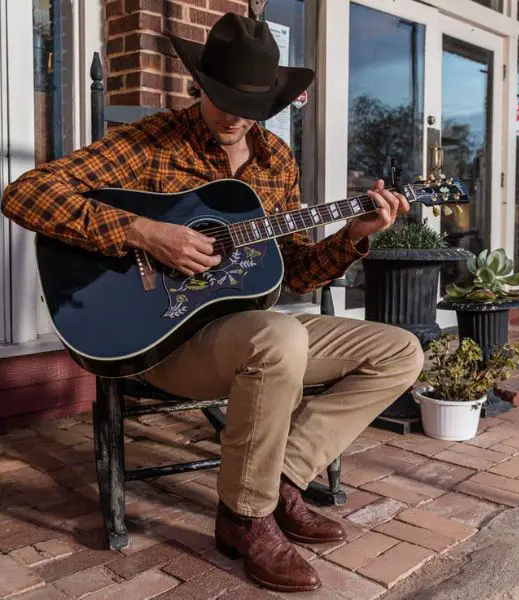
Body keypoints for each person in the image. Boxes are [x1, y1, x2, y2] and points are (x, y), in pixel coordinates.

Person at [1, 13, 424, 593]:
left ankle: (283, 482)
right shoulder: (151, 141)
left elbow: (296, 268)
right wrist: (143, 233)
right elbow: (25, 193)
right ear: (199, 83)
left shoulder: (276, 161)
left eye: (250, 103)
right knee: (280, 338)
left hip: (250, 335)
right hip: (166, 338)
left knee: (400, 351)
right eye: (224, 98)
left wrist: (352, 235)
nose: (234, 115)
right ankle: (245, 520)